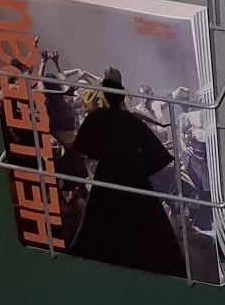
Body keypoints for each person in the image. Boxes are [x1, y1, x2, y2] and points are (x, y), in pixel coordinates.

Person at [68, 68, 187, 278]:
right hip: (133, 180)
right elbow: (158, 157)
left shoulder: (97, 118)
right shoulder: (131, 122)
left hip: (108, 176)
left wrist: (105, 157)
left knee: (99, 225)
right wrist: (137, 167)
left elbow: (82, 146)